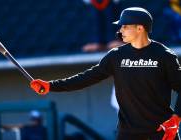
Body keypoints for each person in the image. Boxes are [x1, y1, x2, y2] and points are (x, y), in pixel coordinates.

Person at [30, 7, 181, 140]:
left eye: (125, 26)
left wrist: (176, 118)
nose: (120, 30)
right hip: (129, 132)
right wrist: (50, 86)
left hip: (163, 129)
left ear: (140, 28)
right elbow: (86, 78)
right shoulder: (115, 56)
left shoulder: (164, 56)